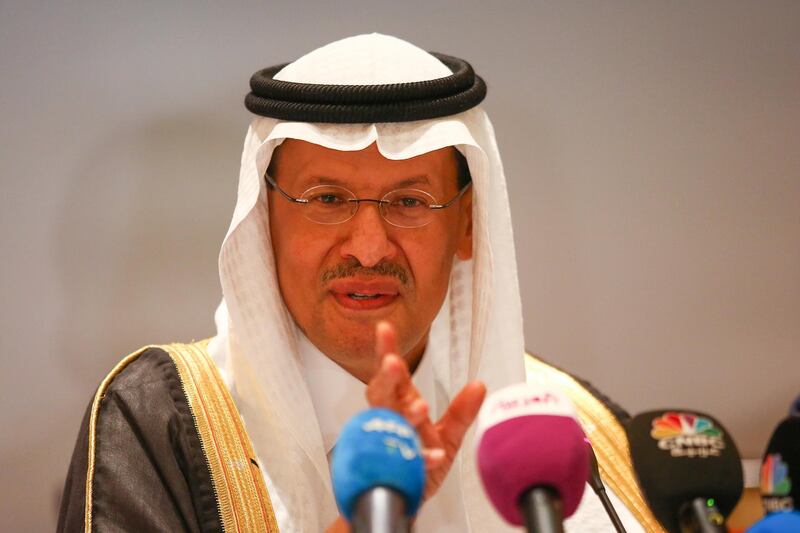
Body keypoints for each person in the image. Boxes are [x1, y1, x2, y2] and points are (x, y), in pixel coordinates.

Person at [58, 34, 663, 532]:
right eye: (326, 199)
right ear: (263, 223)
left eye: (410, 201)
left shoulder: (571, 430)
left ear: (468, 224)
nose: (369, 248)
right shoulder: (160, 418)